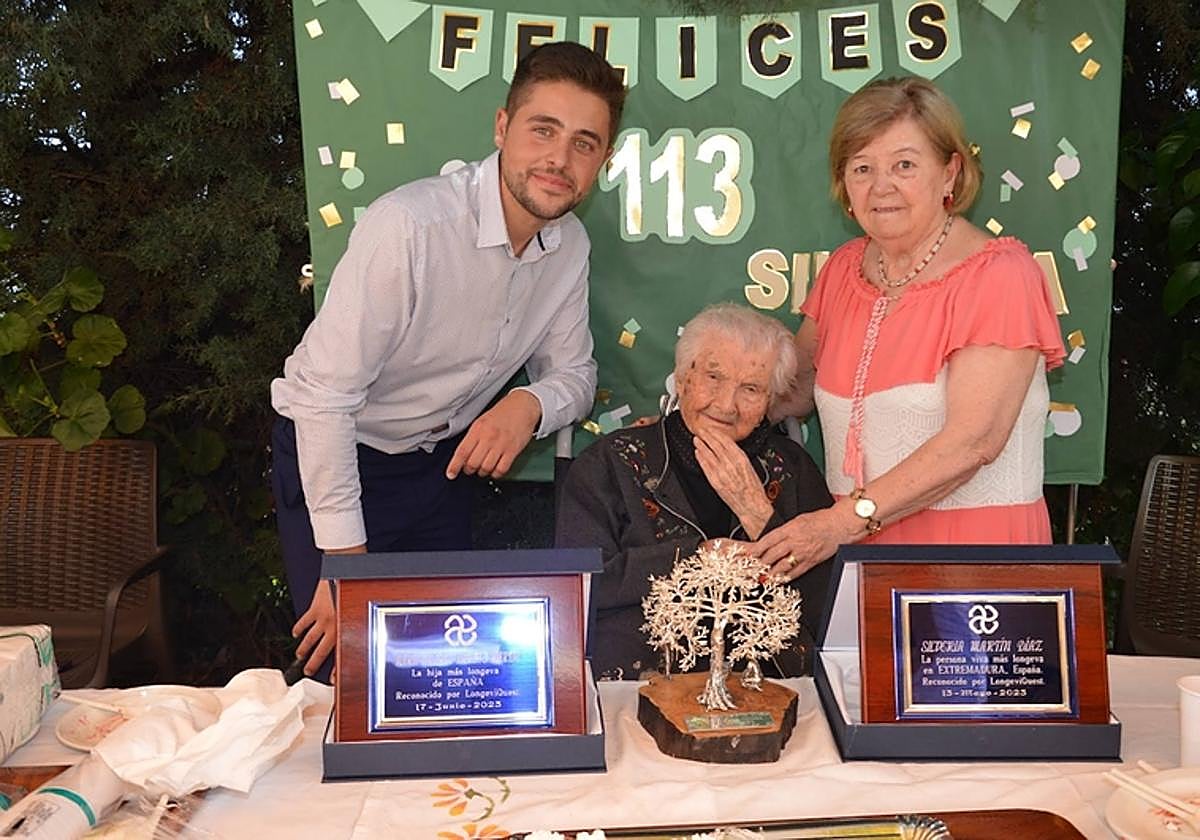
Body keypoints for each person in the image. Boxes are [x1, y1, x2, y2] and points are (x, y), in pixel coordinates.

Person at [271, 42, 626, 679]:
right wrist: (347, 565)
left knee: (444, 668)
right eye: (543, 130)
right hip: (336, 452)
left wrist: (527, 405)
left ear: (602, 159)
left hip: (440, 470)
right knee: (350, 673)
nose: (559, 159)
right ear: (501, 127)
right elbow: (323, 399)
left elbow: (576, 374)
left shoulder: (570, 245)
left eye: (584, 142)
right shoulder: (409, 226)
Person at [752, 76, 1066, 579]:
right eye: (862, 168)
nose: (882, 187)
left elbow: (974, 440)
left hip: (972, 559)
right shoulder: (842, 269)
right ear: (845, 186)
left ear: (950, 173)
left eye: (904, 164)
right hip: (857, 555)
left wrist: (840, 523)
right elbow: (792, 392)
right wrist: (692, 421)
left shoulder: (1001, 273)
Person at [556, 304, 834, 679]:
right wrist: (696, 558)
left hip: (765, 683)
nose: (725, 405)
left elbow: (826, 608)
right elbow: (578, 588)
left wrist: (760, 515)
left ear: (772, 401)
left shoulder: (792, 469)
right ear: (683, 378)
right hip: (638, 681)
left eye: (750, 389)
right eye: (713, 378)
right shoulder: (611, 463)